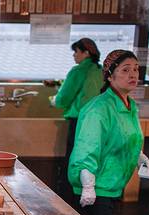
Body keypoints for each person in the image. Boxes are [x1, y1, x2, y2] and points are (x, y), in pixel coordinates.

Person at [68, 49, 149, 215]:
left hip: (112, 182)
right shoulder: (98, 109)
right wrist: (88, 185)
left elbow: (126, 137)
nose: (133, 74)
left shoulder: (129, 105)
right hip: (96, 184)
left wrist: (139, 157)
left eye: (135, 69)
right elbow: (87, 148)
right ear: (109, 75)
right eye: (125, 70)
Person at [54, 38, 103, 203]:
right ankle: (91, 191)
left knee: (75, 156)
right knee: (91, 155)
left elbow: (64, 97)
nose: (74, 55)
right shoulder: (101, 71)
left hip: (79, 120)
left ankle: (70, 195)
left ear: (86, 52)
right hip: (99, 120)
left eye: (76, 51)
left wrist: (54, 101)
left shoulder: (78, 71)